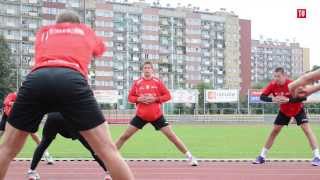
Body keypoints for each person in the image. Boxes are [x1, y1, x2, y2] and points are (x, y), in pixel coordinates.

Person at [0, 10, 134, 180]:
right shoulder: (85, 30)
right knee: (107, 150)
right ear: (77, 24)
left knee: (6, 149)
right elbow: (99, 50)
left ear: (56, 24)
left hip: (37, 78)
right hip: (71, 77)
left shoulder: (44, 32)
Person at [115, 61, 198, 166]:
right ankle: (109, 158)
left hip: (157, 116)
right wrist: (139, 99)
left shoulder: (157, 82)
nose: (147, 69)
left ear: (152, 70)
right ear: (142, 70)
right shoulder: (138, 83)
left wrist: (155, 99)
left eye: (149, 68)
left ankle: (190, 157)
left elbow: (168, 96)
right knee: (124, 136)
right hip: (141, 116)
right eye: (145, 68)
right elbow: (130, 97)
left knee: (172, 136)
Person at [252, 67, 320, 166]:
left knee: (307, 131)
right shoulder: (273, 85)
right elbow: (262, 97)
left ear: (284, 75)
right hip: (284, 111)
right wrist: (273, 99)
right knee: (274, 131)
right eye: (275, 76)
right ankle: (262, 156)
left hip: (297, 110)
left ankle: (317, 157)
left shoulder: (292, 84)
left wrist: (288, 100)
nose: (276, 78)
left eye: (278, 76)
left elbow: (303, 97)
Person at [27, 112, 111, 180]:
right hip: (71, 117)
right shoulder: (76, 92)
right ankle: (108, 172)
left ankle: (31, 171)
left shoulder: (52, 93)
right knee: (91, 147)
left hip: (53, 117)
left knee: (43, 144)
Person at [0, 92, 54, 165]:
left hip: (21, 118)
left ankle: (47, 155)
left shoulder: (29, 98)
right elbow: (6, 102)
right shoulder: (12, 95)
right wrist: (17, 104)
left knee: (34, 135)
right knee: (1, 134)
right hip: (8, 117)